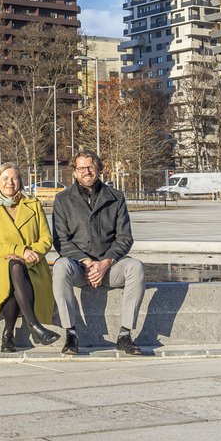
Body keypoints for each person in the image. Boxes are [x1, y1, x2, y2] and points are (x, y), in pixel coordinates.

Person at [51, 150, 146, 356]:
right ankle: (71, 334)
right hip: (78, 267)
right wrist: (86, 261)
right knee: (60, 266)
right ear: (74, 172)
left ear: (99, 169)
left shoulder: (116, 197)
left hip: (109, 267)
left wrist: (105, 263)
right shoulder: (62, 200)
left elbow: (124, 238)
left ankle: (125, 335)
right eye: (81, 168)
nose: (86, 172)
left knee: (136, 267)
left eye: (91, 167)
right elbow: (61, 241)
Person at [0, 162, 59, 351]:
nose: (10, 182)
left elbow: (46, 238)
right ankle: (34, 326)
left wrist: (31, 254)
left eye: (14, 178)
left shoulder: (33, 204)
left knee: (16, 269)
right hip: (0, 263)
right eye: (5, 178)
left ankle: (8, 335)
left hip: (32, 264)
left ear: (20, 181)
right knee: (14, 267)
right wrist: (20, 251)